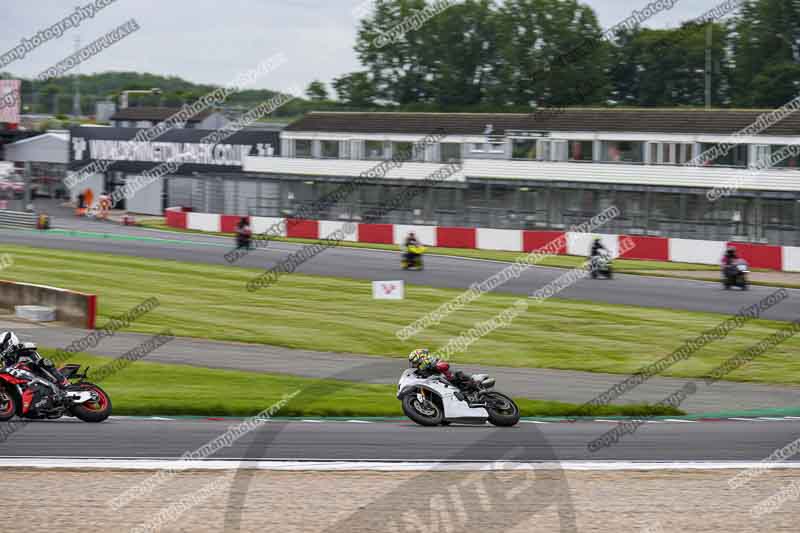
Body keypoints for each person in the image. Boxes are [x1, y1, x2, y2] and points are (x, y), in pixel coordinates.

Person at [408, 348, 475, 393]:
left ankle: (474, 384)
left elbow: (446, 365)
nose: (413, 364)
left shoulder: (432, 361)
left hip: (447, 379)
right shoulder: (421, 370)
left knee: (455, 375)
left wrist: (435, 366)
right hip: (438, 386)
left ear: (420, 358)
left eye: (414, 362)